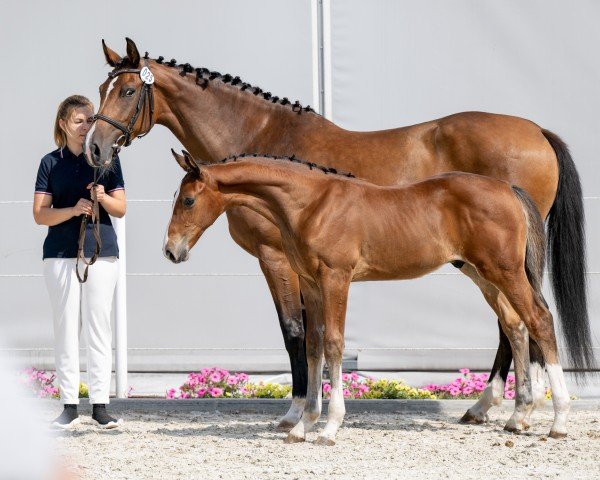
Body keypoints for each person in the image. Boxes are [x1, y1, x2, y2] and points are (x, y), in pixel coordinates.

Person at [33, 95, 126, 429]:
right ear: (63, 124)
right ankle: (69, 405)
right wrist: (72, 210)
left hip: (101, 253)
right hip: (59, 254)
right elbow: (40, 215)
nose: (86, 126)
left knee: (99, 328)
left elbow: (121, 208)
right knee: (66, 328)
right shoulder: (49, 163)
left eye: (89, 120)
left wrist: (101, 197)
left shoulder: (107, 158)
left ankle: (100, 406)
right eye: (79, 120)